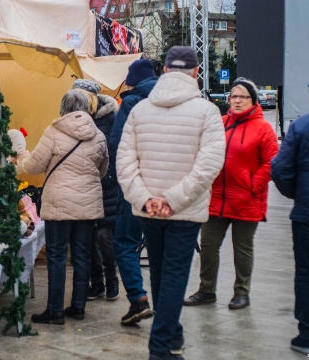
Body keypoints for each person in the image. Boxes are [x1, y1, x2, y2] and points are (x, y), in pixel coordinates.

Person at [117, 46, 225, 360]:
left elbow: (124, 163)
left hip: (149, 209)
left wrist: (146, 199)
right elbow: (209, 165)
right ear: (196, 72)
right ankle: (160, 348)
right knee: (175, 275)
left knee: (161, 272)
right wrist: (174, 200)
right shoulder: (207, 112)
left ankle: (172, 334)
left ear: (164, 71)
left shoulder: (138, 110)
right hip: (185, 210)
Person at [184, 78, 279, 310]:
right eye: (233, 96)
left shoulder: (263, 128)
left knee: (242, 247)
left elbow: (273, 162)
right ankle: (207, 290)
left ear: (252, 101)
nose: (236, 101)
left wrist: (253, 185)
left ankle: (241, 292)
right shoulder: (220, 123)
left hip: (247, 198)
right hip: (216, 196)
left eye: (242, 97)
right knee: (207, 245)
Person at [16, 89, 109, 324]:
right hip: (87, 204)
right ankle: (78, 307)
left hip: (58, 201)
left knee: (57, 256)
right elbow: (103, 169)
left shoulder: (54, 131)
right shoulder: (98, 135)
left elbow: (36, 165)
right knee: (82, 255)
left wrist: (19, 161)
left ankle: (55, 310)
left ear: (63, 107)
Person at [271, 71, 309, 355]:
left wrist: (297, 193)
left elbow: (280, 169)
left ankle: (308, 338)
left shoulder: (302, 126)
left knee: (306, 275)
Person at [108, 58, 159, 324]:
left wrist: (123, 177)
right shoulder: (169, 99)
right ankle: (165, 307)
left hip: (134, 186)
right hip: (164, 185)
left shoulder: (131, 103)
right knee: (160, 246)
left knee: (125, 242)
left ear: (134, 79)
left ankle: (138, 300)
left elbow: (117, 144)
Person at [72, 79, 121, 301]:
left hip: (106, 184)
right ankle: (96, 282)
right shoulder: (72, 119)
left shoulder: (110, 118)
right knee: (86, 236)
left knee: (103, 235)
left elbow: (116, 149)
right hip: (81, 184)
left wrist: (109, 175)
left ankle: (112, 279)